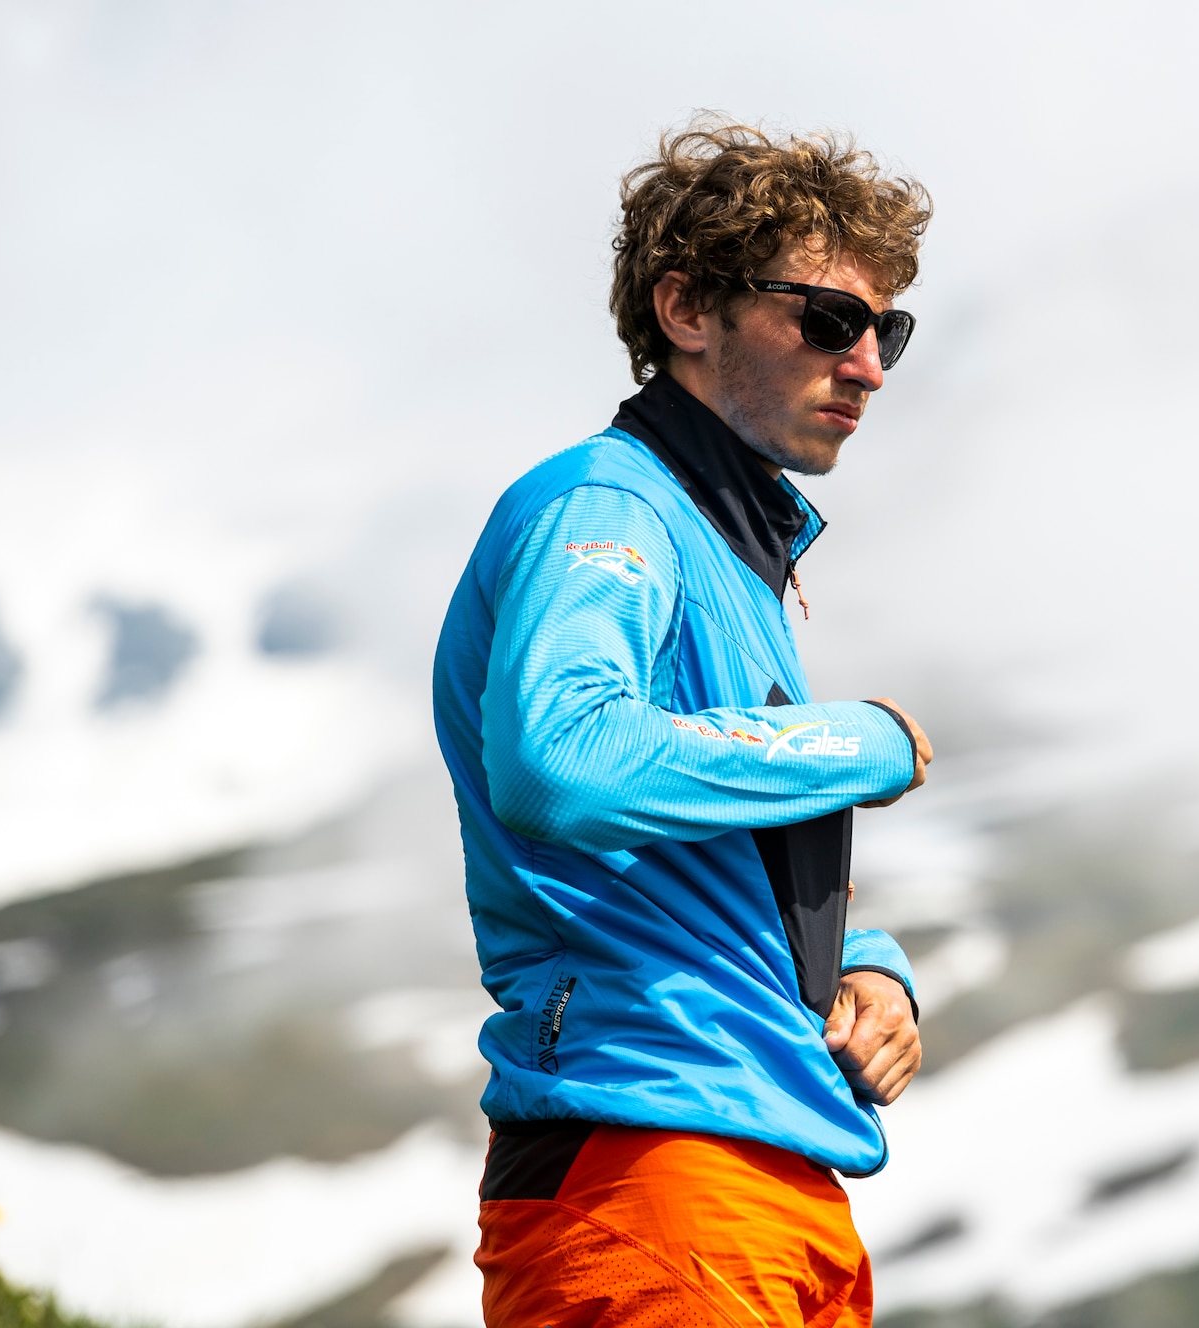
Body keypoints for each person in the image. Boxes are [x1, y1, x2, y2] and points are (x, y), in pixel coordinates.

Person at [431, 120, 935, 1328]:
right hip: (655, 1173)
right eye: (826, 317)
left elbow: (697, 861)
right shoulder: (607, 503)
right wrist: (859, 743)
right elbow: (564, 762)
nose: (866, 362)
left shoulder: (724, 548)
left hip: (755, 1171)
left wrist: (865, 966)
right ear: (687, 309)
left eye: (886, 330)